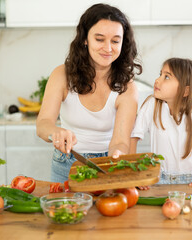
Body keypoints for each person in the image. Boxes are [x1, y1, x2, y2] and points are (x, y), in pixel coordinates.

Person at [36, 3, 142, 183]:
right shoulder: (62, 75)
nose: (108, 48)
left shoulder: (127, 87)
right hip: (66, 163)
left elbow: (120, 141)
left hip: (106, 164)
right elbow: (43, 124)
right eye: (100, 39)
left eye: (115, 41)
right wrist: (56, 132)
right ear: (85, 39)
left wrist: (117, 155)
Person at [130, 58, 192, 187]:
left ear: (186, 91)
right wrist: (134, 176)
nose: (158, 80)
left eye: (167, 77)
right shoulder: (152, 105)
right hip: (157, 180)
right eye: (160, 74)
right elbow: (133, 137)